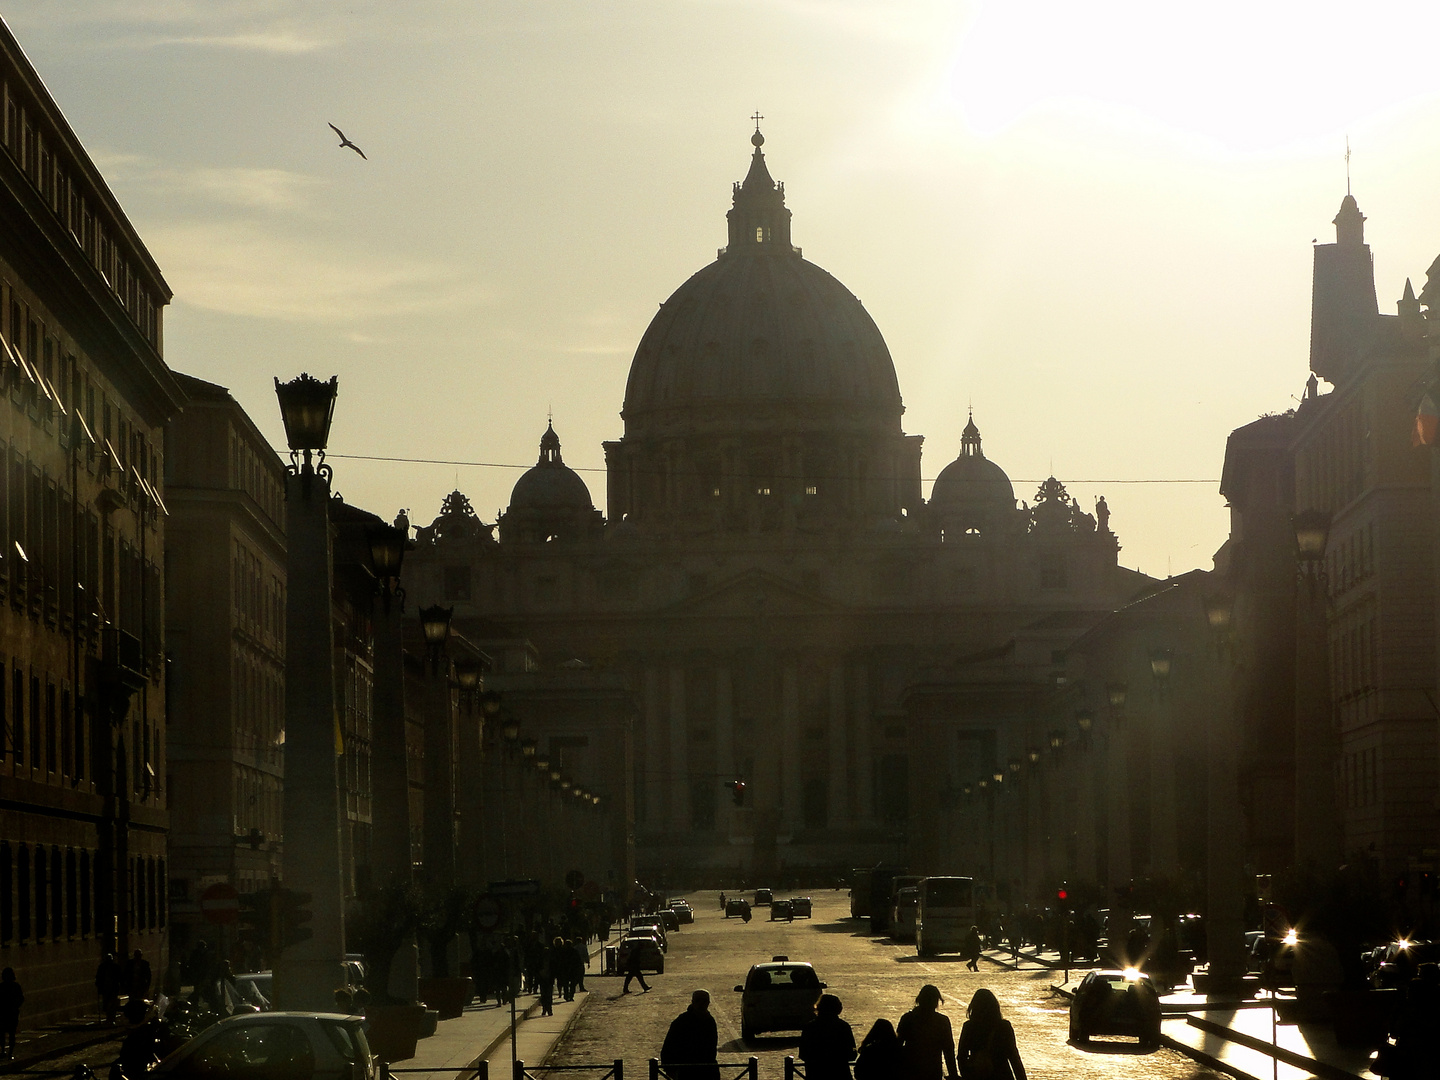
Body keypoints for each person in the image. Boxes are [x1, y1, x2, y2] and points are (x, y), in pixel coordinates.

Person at [957, 987, 1026, 1080]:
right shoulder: (1004, 1026)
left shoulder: (969, 1027)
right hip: (1002, 1074)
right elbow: (1013, 1056)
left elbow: (961, 1056)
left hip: (978, 1075)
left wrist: (967, 1075)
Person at [896, 984, 956, 1080]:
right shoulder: (942, 1021)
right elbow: (948, 1050)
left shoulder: (907, 1018)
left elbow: (898, 1045)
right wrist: (953, 1074)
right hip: (933, 1069)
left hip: (911, 1068)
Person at [660, 989, 720, 1080]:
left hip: (707, 1069)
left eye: (704, 1001)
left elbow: (712, 1047)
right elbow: (669, 1045)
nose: (701, 1004)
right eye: (698, 1000)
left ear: (708, 1003)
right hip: (687, 1070)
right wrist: (669, 1068)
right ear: (693, 1002)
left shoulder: (709, 1021)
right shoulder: (682, 1021)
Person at [799, 993, 856, 1079]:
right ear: (838, 1009)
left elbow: (803, 1053)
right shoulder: (843, 1027)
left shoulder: (810, 1027)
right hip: (839, 1073)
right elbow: (852, 1053)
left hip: (816, 1073)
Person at [0, 968, 23, 1058]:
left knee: (2, 1033)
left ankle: (3, 1050)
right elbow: (21, 999)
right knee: (11, 1033)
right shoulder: (16, 986)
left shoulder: (1, 987)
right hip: (12, 1013)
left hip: (3, 1013)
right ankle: (10, 1052)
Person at [95, 954, 123, 1024]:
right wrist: (98, 985)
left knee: (112, 1003)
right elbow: (98, 977)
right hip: (106, 988)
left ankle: (112, 1018)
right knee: (108, 1003)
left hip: (113, 988)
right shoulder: (102, 967)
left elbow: (119, 977)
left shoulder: (115, 967)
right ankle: (109, 1017)